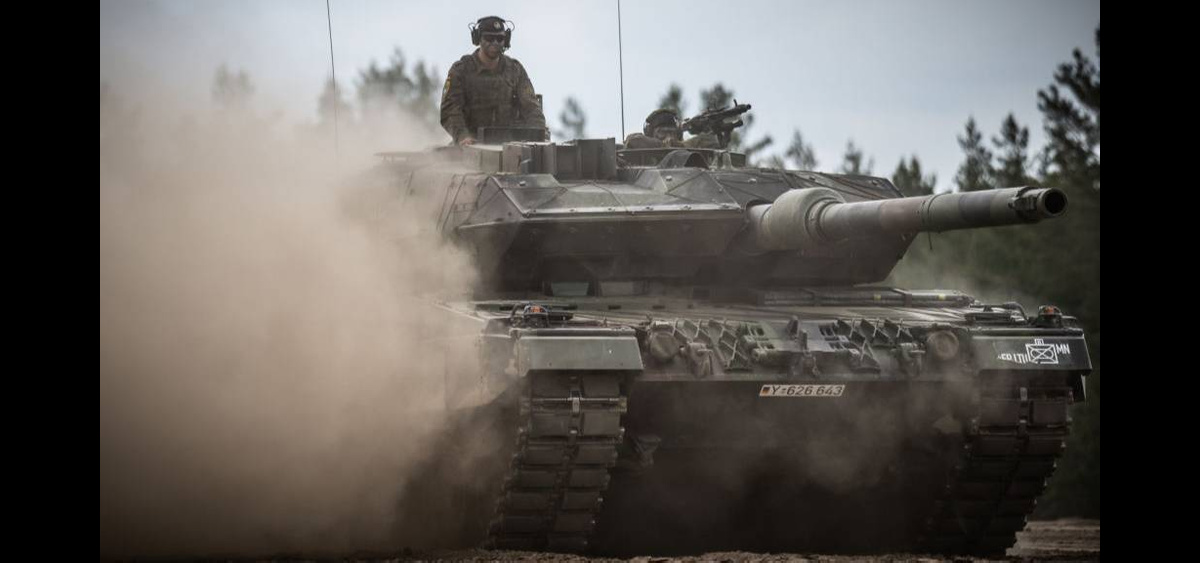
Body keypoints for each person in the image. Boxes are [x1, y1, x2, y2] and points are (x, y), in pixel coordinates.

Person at [440, 16, 547, 146]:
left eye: (500, 38)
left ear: (506, 40)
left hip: (509, 145)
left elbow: (531, 108)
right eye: (489, 38)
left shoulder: (514, 70)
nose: (495, 43)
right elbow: (450, 110)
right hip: (470, 144)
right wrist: (462, 135)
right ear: (478, 39)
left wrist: (539, 136)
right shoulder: (462, 70)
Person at [623, 108, 719, 149]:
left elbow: (711, 141)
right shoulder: (644, 146)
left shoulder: (684, 147)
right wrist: (667, 145)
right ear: (650, 133)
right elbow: (633, 140)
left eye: (672, 132)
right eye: (662, 132)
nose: (668, 136)